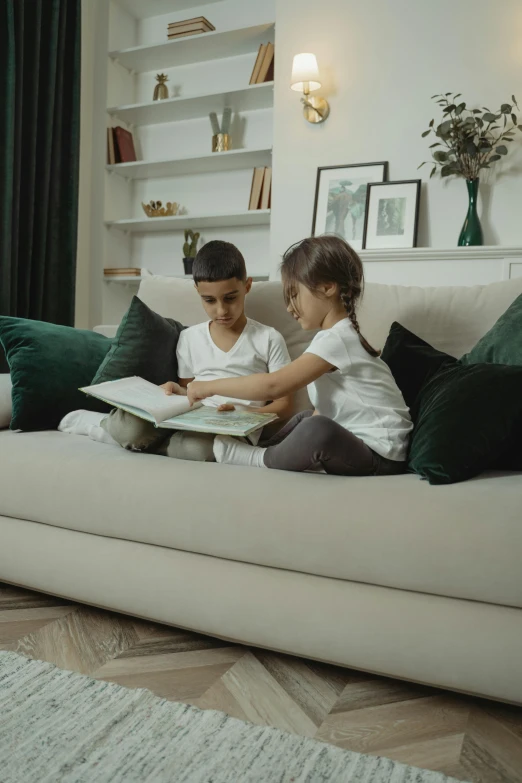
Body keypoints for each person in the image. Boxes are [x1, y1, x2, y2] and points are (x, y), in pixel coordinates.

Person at [186, 235, 413, 475]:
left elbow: (274, 385)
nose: (288, 306)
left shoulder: (337, 339)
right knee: (308, 418)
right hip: (362, 446)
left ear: (327, 287)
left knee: (318, 429)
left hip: (381, 454)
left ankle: (260, 458)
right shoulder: (333, 338)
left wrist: (208, 387)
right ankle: (270, 447)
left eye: (294, 295)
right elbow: (328, 408)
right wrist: (247, 414)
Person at [59, 240, 293, 461]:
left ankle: (117, 438)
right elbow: (190, 392)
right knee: (132, 426)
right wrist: (177, 391)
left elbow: (284, 404)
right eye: (209, 300)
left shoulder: (268, 338)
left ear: (247, 286)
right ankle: (113, 429)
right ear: (197, 292)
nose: (221, 310)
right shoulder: (190, 338)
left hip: (233, 429)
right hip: (192, 417)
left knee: (196, 448)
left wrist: (247, 414)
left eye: (230, 298)